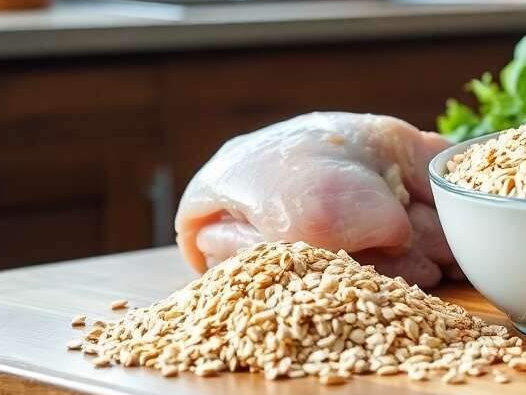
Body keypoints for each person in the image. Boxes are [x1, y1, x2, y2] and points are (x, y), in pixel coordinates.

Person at [174, 113, 460, 288]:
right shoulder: (419, 150)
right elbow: (395, 228)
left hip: (211, 201)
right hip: (275, 200)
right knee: (321, 217)